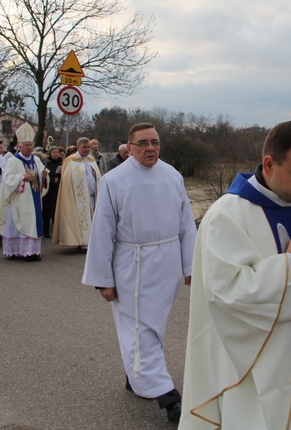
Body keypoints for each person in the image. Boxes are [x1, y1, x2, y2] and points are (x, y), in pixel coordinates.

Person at [180, 121, 291, 429]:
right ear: (269, 164)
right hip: (265, 367)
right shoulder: (228, 215)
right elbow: (227, 294)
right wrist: (290, 261)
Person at [82, 123, 197, 424]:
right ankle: (168, 396)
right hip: (133, 265)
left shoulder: (172, 176)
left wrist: (190, 267)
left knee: (151, 327)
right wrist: (103, 280)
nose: (151, 148)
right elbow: (102, 232)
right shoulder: (114, 180)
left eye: (155, 142)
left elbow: (186, 224)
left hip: (168, 262)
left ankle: (135, 376)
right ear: (129, 147)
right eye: (143, 143)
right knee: (140, 331)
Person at [0, 123, 49, 261]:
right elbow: (7, 179)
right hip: (20, 198)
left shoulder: (36, 159)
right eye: (26, 145)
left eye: (31, 145)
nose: (29, 148)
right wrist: (23, 177)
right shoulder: (13, 161)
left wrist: (44, 175)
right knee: (20, 222)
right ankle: (16, 250)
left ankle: (33, 252)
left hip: (34, 198)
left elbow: (44, 175)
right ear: (19, 146)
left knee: (33, 222)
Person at [51, 137, 101, 249]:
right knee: (82, 219)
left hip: (93, 196)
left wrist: (95, 175)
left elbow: (98, 175)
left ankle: (92, 241)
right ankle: (83, 243)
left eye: (88, 147)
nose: (87, 150)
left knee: (93, 219)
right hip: (78, 198)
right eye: (84, 147)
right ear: (78, 147)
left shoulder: (91, 159)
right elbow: (67, 179)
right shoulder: (71, 160)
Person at [41, 147, 62, 238]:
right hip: (48, 191)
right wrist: (52, 180)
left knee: (56, 212)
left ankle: (56, 231)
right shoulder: (46, 164)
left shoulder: (61, 163)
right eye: (54, 152)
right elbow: (44, 176)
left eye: (57, 152)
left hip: (57, 190)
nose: (56, 154)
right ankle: (45, 231)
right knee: (46, 212)